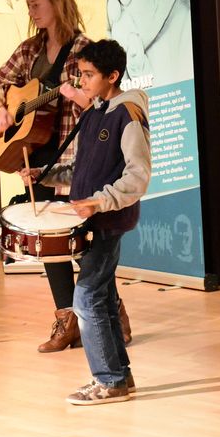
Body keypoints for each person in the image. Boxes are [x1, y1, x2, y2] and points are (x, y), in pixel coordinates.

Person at [0, 0, 133, 353]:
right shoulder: (30, 50)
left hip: (76, 155)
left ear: (56, 1)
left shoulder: (83, 49)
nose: (31, 11)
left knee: (82, 240)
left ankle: (111, 311)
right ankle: (67, 320)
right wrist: (1, 108)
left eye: (36, 4)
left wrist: (76, 95)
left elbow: (103, 105)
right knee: (48, 240)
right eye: (29, 5)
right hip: (37, 155)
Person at [20, 39, 151, 404]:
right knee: (103, 298)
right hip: (91, 219)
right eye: (80, 74)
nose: (82, 81)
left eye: (90, 75)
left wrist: (100, 202)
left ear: (113, 76)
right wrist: (44, 175)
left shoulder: (128, 115)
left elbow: (138, 176)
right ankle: (119, 378)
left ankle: (108, 380)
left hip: (108, 219)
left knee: (87, 297)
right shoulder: (95, 112)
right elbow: (83, 168)